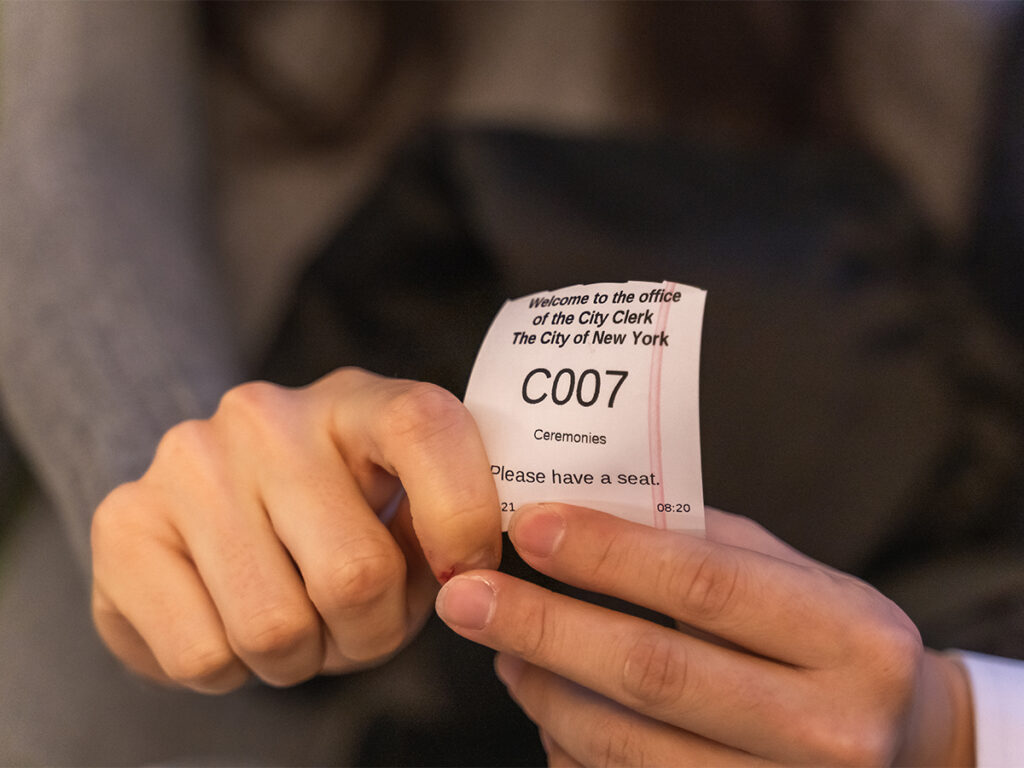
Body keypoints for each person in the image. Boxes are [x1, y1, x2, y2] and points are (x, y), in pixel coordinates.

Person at [1, 3, 1022, 765]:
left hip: (818, 637)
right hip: (203, 640)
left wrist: (956, 720)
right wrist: (163, 489)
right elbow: (55, 146)